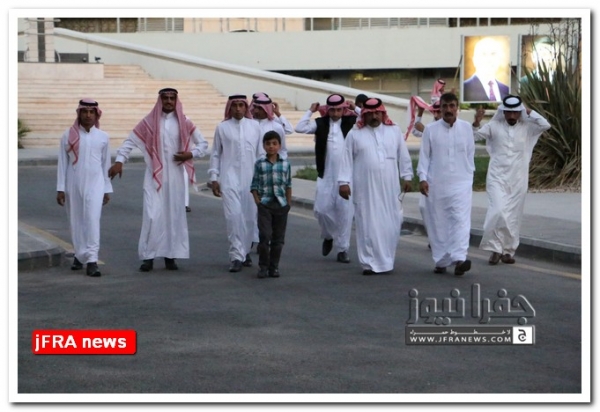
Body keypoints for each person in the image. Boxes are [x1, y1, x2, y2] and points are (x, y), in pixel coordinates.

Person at [108, 88, 208, 272]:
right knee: (152, 214)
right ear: (160, 100)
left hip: (176, 176)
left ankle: (171, 256)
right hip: (154, 175)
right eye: (165, 98)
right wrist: (120, 161)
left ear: (176, 101)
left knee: (174, 216)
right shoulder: (149, 122)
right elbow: (129, 142)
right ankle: (148, 256)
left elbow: (203, 144)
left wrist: (190, 154)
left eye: (172, 98)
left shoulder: (184, 122)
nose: (168, 101)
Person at [472, 95, 551, 265]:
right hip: (496, 177)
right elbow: (475, 136)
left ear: (520, 112)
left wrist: (529, 111)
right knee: (498, 211)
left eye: (516, 112)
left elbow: (545, 124)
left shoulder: (528, 127)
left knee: (513, 216)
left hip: (518, 178)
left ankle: (507, 251)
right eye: (509, 112)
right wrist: (477, 121)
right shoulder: (494, 126)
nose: (512, 116)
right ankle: (495, 248)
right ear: (503, 112)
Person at [338, 97, 413, 275]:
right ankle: (369, 263)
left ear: (383, 113)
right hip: (365, 188)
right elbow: (346, 158)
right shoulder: (355, 133)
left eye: (377, 113)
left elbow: (403, 154)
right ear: (364, 114)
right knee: (367, 224)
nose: (374, 116)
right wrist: (343, 182)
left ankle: (386, 261)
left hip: (390, 188)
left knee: (391, 223)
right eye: (370, 113)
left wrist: (407, 176)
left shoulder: (394, 131)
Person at [295, 94, 358, 263]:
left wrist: (355, 108)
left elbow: (367, 119)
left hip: (346, 177)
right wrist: (310, 111)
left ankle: (343, 249)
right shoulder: (320, 123)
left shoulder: (351, 122)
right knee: (321, 210)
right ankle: (328, 235)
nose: (336, 113)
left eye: (339, 110)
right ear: (328, 110)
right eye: (332, 110)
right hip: (326, 175)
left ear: (343, 109)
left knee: (345, 213)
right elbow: (299, 128)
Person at [417, 92, 475, 276]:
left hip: (461, 183)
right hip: (437, 183)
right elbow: (424, 157)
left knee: (460, 220)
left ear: (457, 108)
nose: (448, 110)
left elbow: (470, 154)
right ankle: (441, 260)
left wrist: (468, 177)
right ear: (440, 108)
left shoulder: (466, 128)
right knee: (439, 222)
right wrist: (423, 178)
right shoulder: (431, 130)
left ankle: (459, 259)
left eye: (452, 106)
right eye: (445, 106)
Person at [57, 98, 112, 277]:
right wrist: (60, 188)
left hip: (96, 184)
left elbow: (105, 165)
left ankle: (92, 260)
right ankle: (80, 255)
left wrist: (107, 189)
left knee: (92, 220)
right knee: (76, 221)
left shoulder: (103, 137)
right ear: (79, 113)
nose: (88, 115)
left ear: (96, 114)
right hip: (73, 183)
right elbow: (62, 163)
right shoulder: (68, 135)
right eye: (85, 112)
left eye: (91, 112)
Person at [209, 94, 264, 273]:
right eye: (235, 105)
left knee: (249, 218)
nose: (238, 109)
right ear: (230, 107)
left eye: (241, 105)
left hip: (251, 179)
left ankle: (245, 251)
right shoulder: (222, 127)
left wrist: (263, 179)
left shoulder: (255, 126)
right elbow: (216, 154)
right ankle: (236, 256)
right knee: (233, 217)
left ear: (246, 107)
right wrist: (214, 177)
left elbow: (261, 154)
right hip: (229, 178)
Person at [250, 130, 292, 279]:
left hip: (280, 205)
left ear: (279, 146)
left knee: (278, 239)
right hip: (265, 205)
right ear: (263, 146)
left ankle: (274, 267)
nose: (271, 146)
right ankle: (263, 266)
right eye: (268, 144)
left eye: (274, 143)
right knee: (265, 236)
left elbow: (288, 185)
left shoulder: (285, 164)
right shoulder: (260, 164)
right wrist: (258, 201)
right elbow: (254, 185)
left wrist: (288, 204)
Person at [463, 37, 510, 102]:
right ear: (474, 60)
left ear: (499, 59)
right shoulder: (465, 88)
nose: (489, 59)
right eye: (484, 54)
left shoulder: (506, 90)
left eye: (493, 54)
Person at [250, 93, 288, 159]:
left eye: (260, 108)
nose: (256, 111)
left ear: (266, 109)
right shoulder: (248, 124)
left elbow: (282, 150)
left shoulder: (276, 127)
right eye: (255, 107)